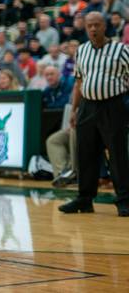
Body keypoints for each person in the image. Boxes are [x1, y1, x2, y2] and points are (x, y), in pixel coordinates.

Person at [59, 12, 129, 217]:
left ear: (104, 26)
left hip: (112, 106)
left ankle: (124, 201)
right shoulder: (81, 51)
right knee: (85, 154)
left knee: (117, 155)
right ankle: (84, 199)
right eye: (89, 25)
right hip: (87, 107)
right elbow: (79, 82)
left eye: (97, 25)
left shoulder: (121, 50)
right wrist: (74, 110)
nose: (93, 29)